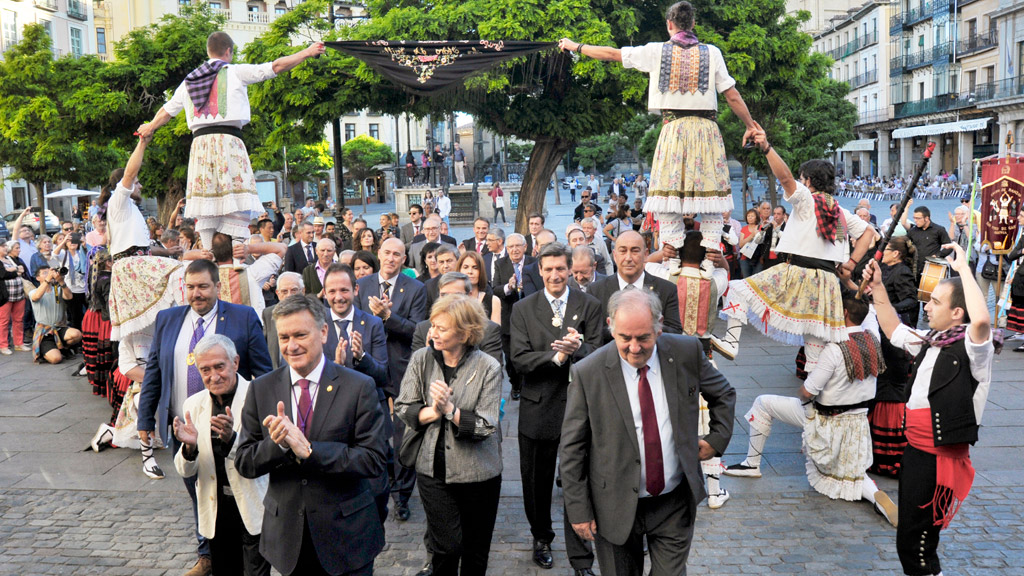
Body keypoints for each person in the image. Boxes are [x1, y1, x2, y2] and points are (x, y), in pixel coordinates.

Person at [559, 288, 736, 576]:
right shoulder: (588, 372)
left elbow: (724, 394)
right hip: (613, 506)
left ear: (659, 326)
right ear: (610, 327)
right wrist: (578, 511)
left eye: (644, 337)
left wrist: (716, 440)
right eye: (624, 338)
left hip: (673, 501)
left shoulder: (686, 351)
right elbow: (572, 447)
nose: (634, 347)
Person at [559, 1, 756, 250]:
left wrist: (574, 45)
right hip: (706, 130)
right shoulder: (712, 52)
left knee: (667, 198)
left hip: (674, 128)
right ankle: (711, 252)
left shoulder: (656, 51)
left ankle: (671, 254)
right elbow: (732, 95)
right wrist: (750, 125)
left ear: (669, 24)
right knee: (712, 199)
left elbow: (611, 54)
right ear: (693, 24)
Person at [863, 242, 995, 576]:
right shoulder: (932, 340)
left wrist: (964, 269)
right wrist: (878, 287)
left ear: (957, 313)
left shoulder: (975, 350)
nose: (928, 307)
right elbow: (893, 328)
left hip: (938, 458)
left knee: (918, 543)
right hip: (916, 451)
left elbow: (982, 321)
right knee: (909, 537)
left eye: (936, 302)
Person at [136, 258, 273, 573]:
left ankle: (249, 547)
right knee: (200, 492)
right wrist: (145, 420)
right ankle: (209, 553)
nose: (196, 293)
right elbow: (154, 371)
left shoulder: (242, 317)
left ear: (217, 287)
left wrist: (263, 419)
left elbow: (264, 372)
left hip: (234, 424)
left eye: (203, 286)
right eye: (191, 287)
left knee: (239, 489)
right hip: (187, 427)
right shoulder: (168, 319)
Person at [235, 294, 387, 576]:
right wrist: (277, 445)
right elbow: (244, 461)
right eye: (283, 337)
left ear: (324, 332)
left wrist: (311, 452)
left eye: (300, 335)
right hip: (288, 541)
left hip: (347, 539)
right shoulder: (262, 389)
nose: (291, 346)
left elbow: (374, 460)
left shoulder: (359, 387)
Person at [137, 33, 325, 250]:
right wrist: (308, 52)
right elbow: (276, 66)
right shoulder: (234, 71)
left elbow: (167, 110)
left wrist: (150, 126)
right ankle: (236, 256)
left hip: (201, 147)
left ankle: (208, 252)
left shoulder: (190, 80)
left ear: (209, 52)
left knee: (207, 207)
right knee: (237, 203)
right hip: (228, 142)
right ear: (228, 51)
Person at [724, 295, 898, 525]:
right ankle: (877, 498)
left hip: (825, 418)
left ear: (844, 313)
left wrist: (805, 386)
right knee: (856, 474)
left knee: (762, 403)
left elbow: (808, 391)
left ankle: (751, 464)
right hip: (857, 422)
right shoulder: (873, 339)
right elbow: (872, 316)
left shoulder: (835, 350)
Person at [715, 128, 873, 377]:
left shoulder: (808, 201)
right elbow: (869, 234)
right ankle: (818, 404)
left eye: (802, 178)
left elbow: (785, 179)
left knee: (736, 288)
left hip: (797, 272)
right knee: (815, 349)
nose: (799, 181)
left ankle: (731, 342)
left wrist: (767, 148)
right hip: (827, 282)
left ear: (808, 181)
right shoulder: (840, 211)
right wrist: (851, 263)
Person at [510, 242, 604, 575]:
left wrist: (578, 349)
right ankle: (541, 538)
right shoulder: (523, 308)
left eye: (560, 269)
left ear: (570, 269)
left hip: (582, 408)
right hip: (539, 408)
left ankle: (582, 557)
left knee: (581, 480)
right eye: (548, 269)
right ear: (539, 271)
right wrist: (557, 357)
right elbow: (519, 359)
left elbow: (601, 350)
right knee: (536, 480)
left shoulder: (590, 304)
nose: (554, 275)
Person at [395, 294, 503, 576]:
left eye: (442, 328)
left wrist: (452, 411)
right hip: (433, 472)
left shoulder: (488, 367)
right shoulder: (421, 359)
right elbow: (403, 406)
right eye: (433, 326)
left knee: (475, 552)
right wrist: (434, 411)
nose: (433, 333)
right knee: (447, 548)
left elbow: (487, 425)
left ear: (465, 333)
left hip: (480, 474)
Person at [172, 335, 272, 576]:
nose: (213, 376)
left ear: (235, 363)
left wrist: (232, 440)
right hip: (216, 511)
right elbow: (185, 471)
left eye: (219, 366)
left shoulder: (259, 396)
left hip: (253, 506)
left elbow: (267, 456)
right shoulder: (193, 405)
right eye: (205, 369)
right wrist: (189, 448)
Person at [357, 237, 428, 521]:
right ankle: (378, 484)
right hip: (368, 367)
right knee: (371, 429)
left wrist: (388, 316)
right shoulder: (362, 285)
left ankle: (402, 496)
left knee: (403, 434)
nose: (391, 258)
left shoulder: (416, 289)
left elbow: (417, 330)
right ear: (379, 254)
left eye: (397, 254)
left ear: (403, 260)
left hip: (401, 368)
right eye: (386, 252)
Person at [322, 263, 391, 526]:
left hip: (369, 417)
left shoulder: (372, 323)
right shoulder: (318, 324)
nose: (338, 297)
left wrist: (362, 358)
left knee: (376, 490)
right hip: (331, 418)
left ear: (356, 289)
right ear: (324, 292)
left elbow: (383, 376)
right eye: (332, 291)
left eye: (344, 290)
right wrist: (335, 367)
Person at [869, 235, 917, 477]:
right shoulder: (886, 269)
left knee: (889, 383)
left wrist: (887, 309)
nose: (882, 253)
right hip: (881, 330)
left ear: (896, 253)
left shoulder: (902, 272)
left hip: (895, 335)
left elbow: (911, 300)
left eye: (886, 249)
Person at [588, 231, 684, 341]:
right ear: (614, 255)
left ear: (645, 254)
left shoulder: (667, 290)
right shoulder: (596, 290)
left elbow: (675, 332)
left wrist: (645, 326)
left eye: (635, 251)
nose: (628, 258)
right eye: (623, 251)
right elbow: (593, 334)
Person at [492, 233, 533, 400]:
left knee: (528, 351)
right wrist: (509, 287)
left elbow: (540, 287)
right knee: (509, 356)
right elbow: (495, 289)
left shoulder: (533, 263)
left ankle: (526, 384)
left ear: (525, 247)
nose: (514, 249)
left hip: (529, 317)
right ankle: (515, 384)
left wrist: (526, 288)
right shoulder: (500, 264)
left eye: (518, 246)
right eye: (511, 247)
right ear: (506, 249)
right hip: (508, 316)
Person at [25, 264, 82, 365]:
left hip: (58, 327)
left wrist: (61, 281)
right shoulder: (33, 291)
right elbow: (36, 297)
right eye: (45, 273)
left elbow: (69, 297)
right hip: (45, 332)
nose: (49, 274)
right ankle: (46, 350)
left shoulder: (58, 290)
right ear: (38, 278)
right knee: (56, 359)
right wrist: (48, 279)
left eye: (50, 272)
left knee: (77, 334)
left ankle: (64, 348)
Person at [263, 271, 304, 370]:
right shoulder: (269, 313)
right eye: (284, 292)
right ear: (278, 294)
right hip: (276, 377)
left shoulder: (313, 314)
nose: (289, 295)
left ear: (303, 291)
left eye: (294, 290)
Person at [0, 241, 29, 354]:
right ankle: (3, 345)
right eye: (2, 246)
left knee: (19, 319)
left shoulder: (10, 259)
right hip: (5, 295)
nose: (5, 248)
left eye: (6, 246)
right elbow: (3, 274)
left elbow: (23, 269)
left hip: (19, 294)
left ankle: (19, 343)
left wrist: (14, 270)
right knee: (4, 321)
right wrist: (16, 270)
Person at [457, 251, 501, 325]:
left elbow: (495, 332)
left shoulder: (493, 301)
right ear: (459, 270)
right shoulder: (451, 299)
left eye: (475, 268)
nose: (470, 271)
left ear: (481, 271)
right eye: (466, 267)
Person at [1005, 213, 1024, 351]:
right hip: (1021, 275)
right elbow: (1012, 255)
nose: (1019, 218)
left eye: (1022, 215)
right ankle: (1021, 333)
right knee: (1018, 303)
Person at [737, 208, 762, 278]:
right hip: (745, 258)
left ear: (756, 217)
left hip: (758, 258)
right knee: (746, 279)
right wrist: (752, 235)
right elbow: (741, 244)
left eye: (752, 216)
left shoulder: (761, 228)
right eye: (748, 216)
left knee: (756, 278)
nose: (750, 218)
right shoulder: (744, 229)